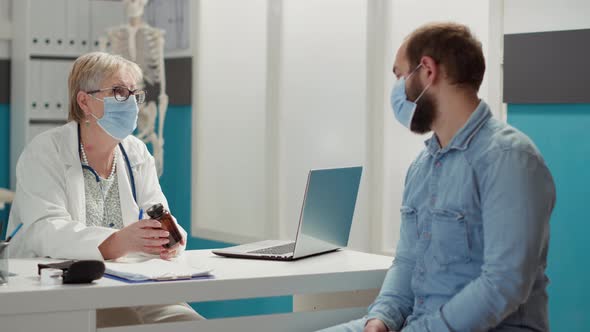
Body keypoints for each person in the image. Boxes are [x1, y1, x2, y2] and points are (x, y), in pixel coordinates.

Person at [320, 22, 556, 332]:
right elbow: (406, 263)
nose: (397, 89)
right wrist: (381, 320)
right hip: (419, 324)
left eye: (399, 75)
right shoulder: (423, 166)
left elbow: (504, 283)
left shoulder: (509, 159)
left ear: (428, 70)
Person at [7, 52, 203, 326]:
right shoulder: (46, 151)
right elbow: (45, 231)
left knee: (187, 322)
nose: (132, 103)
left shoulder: (135, 152)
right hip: (59, 285)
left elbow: (160, 214)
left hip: (130, 281)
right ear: (85, 101)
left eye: (135, 94)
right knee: (122, 320)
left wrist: (168, 240)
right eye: (119, 92)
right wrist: (116, 242)